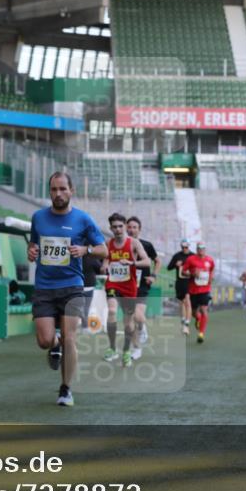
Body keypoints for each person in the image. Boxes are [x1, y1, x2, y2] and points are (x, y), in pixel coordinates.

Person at [28, 172, 108, 407]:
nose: (58, 194)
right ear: (49, 191)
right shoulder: (38, 218)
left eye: (63, 189)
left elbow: (103, 249)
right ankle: (54, 346)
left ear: (71, 191)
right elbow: (33, 245)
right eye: (54, 189)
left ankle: (66, 390)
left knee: (70, 338)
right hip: (44, 287)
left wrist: (86, 251)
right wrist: (31, 252)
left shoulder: (83, 219)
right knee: (44, 340)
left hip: (72, 287)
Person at [102, 212, 151, 369]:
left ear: (124, 226)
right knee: (111, 311)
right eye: (114, 227)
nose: (117, 229)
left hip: (129, 286)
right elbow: (105, 261)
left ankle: (126, 351)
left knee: (128, 322)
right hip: (113, 284)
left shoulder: (134, 243)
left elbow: (147, 261)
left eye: (120, 226)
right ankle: (112, 347)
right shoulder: (108, 243)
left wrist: (131, 263)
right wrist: (104, 266)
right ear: (110, 228)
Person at [125, 216, 160, 359]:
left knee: (138, 315)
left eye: (135, 227)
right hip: (126, 285)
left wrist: (153, 276)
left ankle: (142, 328)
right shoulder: (121, 245)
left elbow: (157, 261)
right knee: (129, 321)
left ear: (139, 230)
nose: (132, 230)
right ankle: (136, 348)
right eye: (130, 227)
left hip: (142, 286)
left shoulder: (147, 245)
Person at [181, 242, 216, 344]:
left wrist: (211, 277)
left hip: (205, 290)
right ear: (196, 249)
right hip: (193, 290)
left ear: (205, 249)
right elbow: (183, 271)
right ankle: (198, 319)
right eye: (199, 248)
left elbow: (212, 269)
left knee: (204, 310)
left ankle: (201, 333)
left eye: (203, 248)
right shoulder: (191, 259)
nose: (201, 250)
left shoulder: (209, 260)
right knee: (194, 313)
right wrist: (192, 273)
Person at [167, 239, 194, 335]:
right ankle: (183, 321)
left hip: (189, 282)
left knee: (187, 301)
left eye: (186, 247)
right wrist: (175, 264)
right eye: (183, 247)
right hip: (180, 282)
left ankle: (187, 324)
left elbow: (197, 267)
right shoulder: (177, 256)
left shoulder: (192, 256)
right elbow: (168, 267)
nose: (184, 249)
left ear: (189, 246)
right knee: (182, 302)